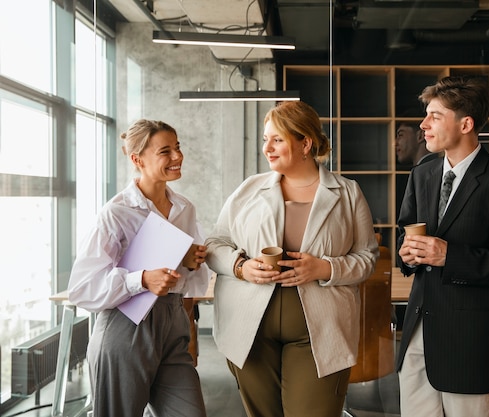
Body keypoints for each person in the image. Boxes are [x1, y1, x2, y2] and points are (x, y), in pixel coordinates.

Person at [204, 100, 379, 417]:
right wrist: (241, 267)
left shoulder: (348, 193)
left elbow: (367, 258)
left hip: (320, 332)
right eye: (264, 139)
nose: (267, 148)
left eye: (277, 139)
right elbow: (215, 244)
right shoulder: (249, 190)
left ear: (305, 143)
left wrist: (325, 267)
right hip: (250, 330)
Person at [396, 76, 489, 417]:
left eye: (434, 116)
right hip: (417, 332)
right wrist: (407, 253)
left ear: (466, 123)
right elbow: (406, 232)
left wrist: (450, 256)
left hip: (469, 341)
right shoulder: (423, 173)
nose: (423, 124)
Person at [68, 119, 210, 417]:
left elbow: (186, 278)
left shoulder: (185, 208)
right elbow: (82, 289)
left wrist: (188, 261)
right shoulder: (116, 213)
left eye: (178, 147)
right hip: (124, 329)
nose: (177, 157)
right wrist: (141, 279)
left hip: (173, 326)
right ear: (137, 160)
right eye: (165, 151)